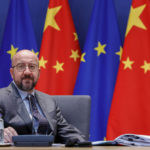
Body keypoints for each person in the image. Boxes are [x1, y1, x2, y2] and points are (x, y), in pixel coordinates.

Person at [0, 50, 86, 143]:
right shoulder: (2, 97)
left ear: (39, 73)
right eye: (21, 66)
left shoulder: (49, 101)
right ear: (12, 73)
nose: (27, 72)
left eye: (32, 67)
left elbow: (66, 131)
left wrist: (84, 144)